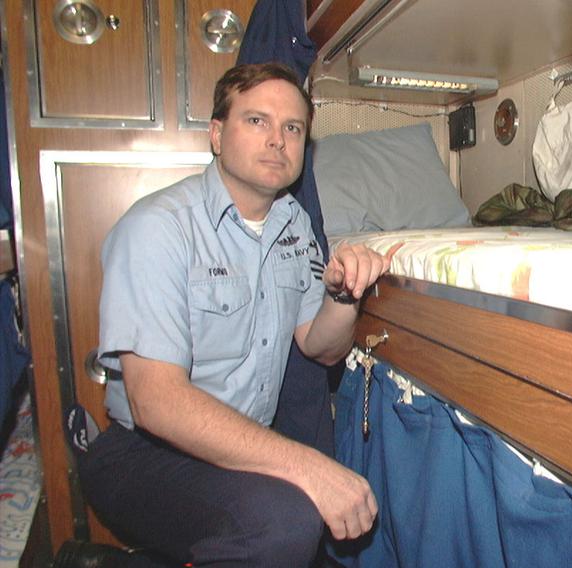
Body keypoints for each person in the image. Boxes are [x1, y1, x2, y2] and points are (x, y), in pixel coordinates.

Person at [70, 62, 390, 567]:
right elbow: (157, 403)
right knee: (286, 520)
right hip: (146, 452)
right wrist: (308, 467)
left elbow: (320, 348)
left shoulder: (294, 224)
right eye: (256, 121)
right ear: (217, 134)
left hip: (241, 451)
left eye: (293, 128)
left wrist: (344, 295)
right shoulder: (159, 228)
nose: (277, 140)